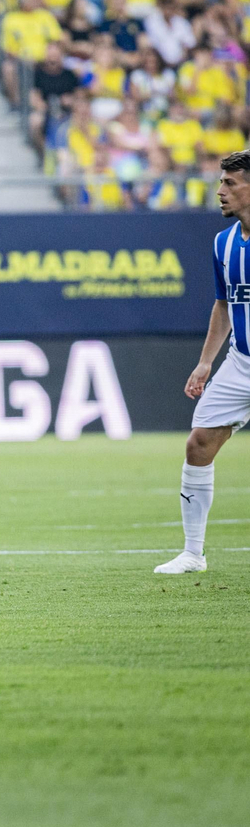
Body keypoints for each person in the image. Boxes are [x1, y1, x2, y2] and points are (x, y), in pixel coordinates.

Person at [163, 148, 250, 574]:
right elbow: (224, 305)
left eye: (230, 183)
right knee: (198, 444)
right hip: (240, 363)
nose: (220, 192)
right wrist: (205, 363)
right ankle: (192, 554)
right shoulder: (224, 243)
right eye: (221, 182)